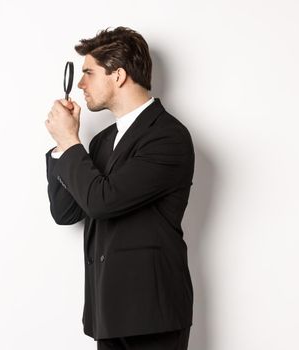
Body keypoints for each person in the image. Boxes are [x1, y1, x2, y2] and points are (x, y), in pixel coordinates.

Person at [44, 26, 194, 350]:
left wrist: (71, 142)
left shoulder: (168, 137)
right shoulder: (101, 142)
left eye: (88, 73)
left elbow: (102, 201)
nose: (81, 84)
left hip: (153, 315)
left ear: (119, 75)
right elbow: (66, 211)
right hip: (108, 314)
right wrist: (62, 146)